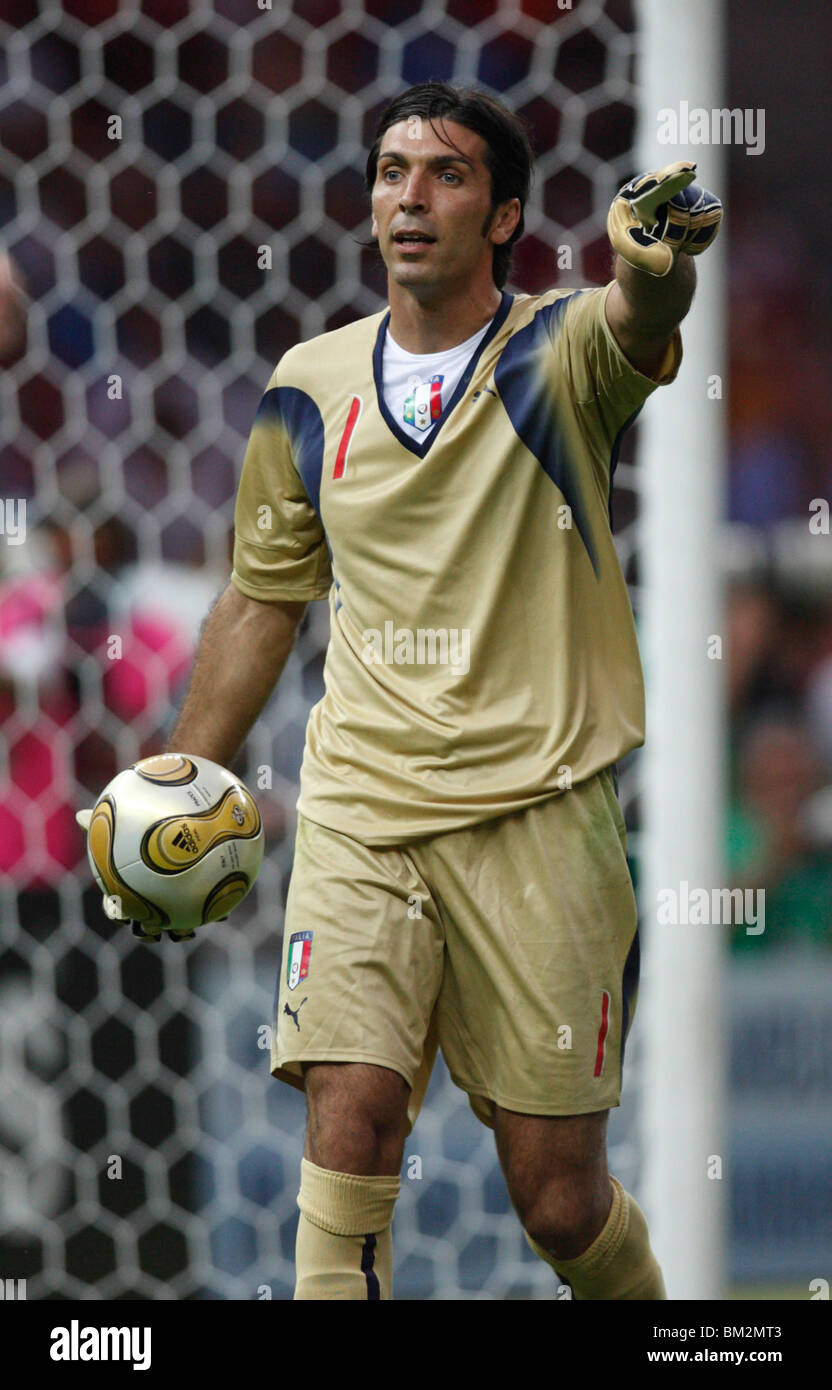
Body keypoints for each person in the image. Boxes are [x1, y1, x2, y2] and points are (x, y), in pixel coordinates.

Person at [140, 83, 722, 1298]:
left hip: (541, 814)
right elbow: (261, 597)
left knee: (557, 1202)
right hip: (361, 806)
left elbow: (640, 312)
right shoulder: (308, 386)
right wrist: (180, 769)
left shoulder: (561, 356)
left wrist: (657, 267)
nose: (410, 196)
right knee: (350, 1122)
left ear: (504, 213)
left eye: (446, 175)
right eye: (391, 171)